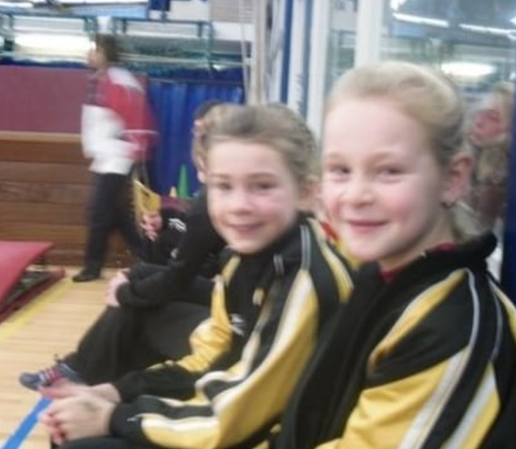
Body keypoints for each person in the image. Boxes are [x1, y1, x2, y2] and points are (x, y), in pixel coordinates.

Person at [37, 103, 354, 449]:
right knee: (70, 430)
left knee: (83, 443)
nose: (239, 205)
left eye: (262, 186)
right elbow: (211, 356)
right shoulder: (239, 260)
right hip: (238, 416)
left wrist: (115, 416)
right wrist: (112, 392)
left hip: (269, 433)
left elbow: (239, 415)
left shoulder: (305, 280)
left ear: (306, 191)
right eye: (223, 187)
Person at [272, 62, 516, 449]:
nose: (356, 195)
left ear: (453, 178)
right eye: (340, 169)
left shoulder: (452, 325)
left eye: (389, 171)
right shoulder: (381, 275)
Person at [19, 101, 228, 388]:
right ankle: (85, 373)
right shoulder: (211, 201)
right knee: (140, 276)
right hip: (222, 298)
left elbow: (183, 274)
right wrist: (168, 220)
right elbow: (197, 243)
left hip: (228, 318)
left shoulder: (216, 203)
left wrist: (125, 294)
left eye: (207, 134)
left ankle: (90, 377)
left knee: (137, 307)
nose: (200, 141)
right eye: (197, 134)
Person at [74, 34, 154, 282]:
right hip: (106, 155)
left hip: (118, 156)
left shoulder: (118, 79)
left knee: (99, 212)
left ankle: (92, 267)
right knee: (110, 212)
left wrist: (137, 147)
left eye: (94, 50)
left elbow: (137, 116)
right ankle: (149, 257)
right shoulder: (101, 79)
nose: (89, 55)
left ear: (105, 53)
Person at [467, 81, 515, 233]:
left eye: (492, 117)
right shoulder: (469, 158)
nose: (478, 122)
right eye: (478, 113)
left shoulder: (500, 177)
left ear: (512, 128)